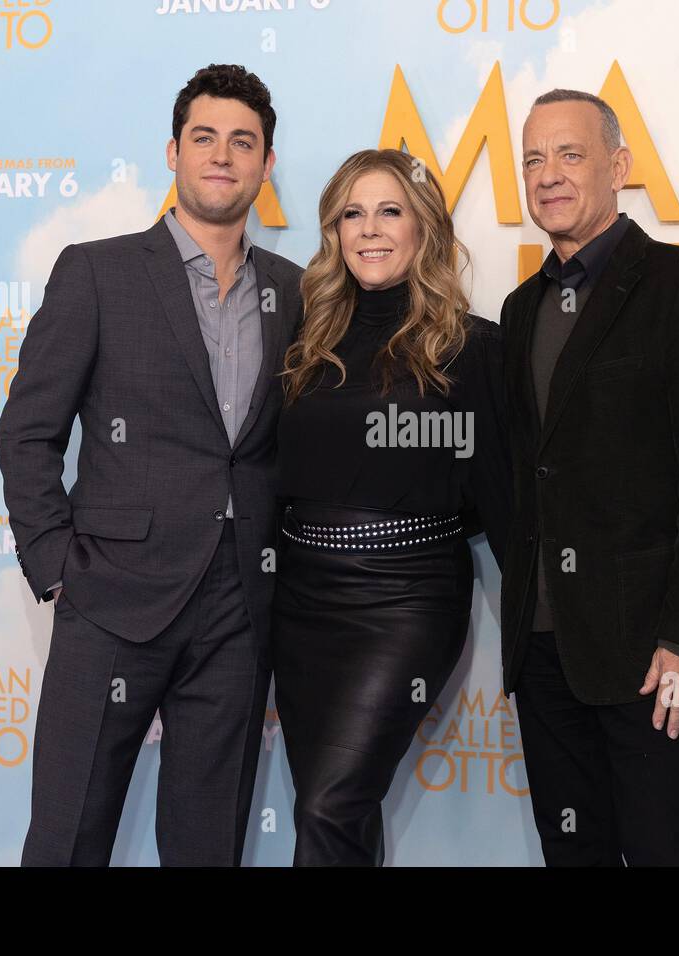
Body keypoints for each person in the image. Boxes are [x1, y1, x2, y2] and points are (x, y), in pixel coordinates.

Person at [0, 64, 303, 866]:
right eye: (205, 138)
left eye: (244, 143)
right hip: (110, 602)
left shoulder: (295, 292)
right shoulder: (98, 272)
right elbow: (27, 433)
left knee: (209, 849)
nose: (222, 156)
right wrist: (57, 565)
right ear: (173, 151)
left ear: (267, 166)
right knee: (67, 840)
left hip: (238, 612)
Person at [498, 89, 679, 866]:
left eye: (570, 154)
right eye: (534, 158)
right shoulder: (517, 310)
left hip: (650, 653)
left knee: (661, 849)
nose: (549, 175)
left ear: (618, 167)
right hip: (542, 651)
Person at [273, 148, 509, 866]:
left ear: (423, 229)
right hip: (301, 599)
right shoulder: (303, 341)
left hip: (406, 600)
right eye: (352, 213)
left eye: (389, 211)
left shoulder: (472, 347)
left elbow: (496, 492)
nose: (368, 230)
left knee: (328, 805)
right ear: (333, 232)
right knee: (335, 810)